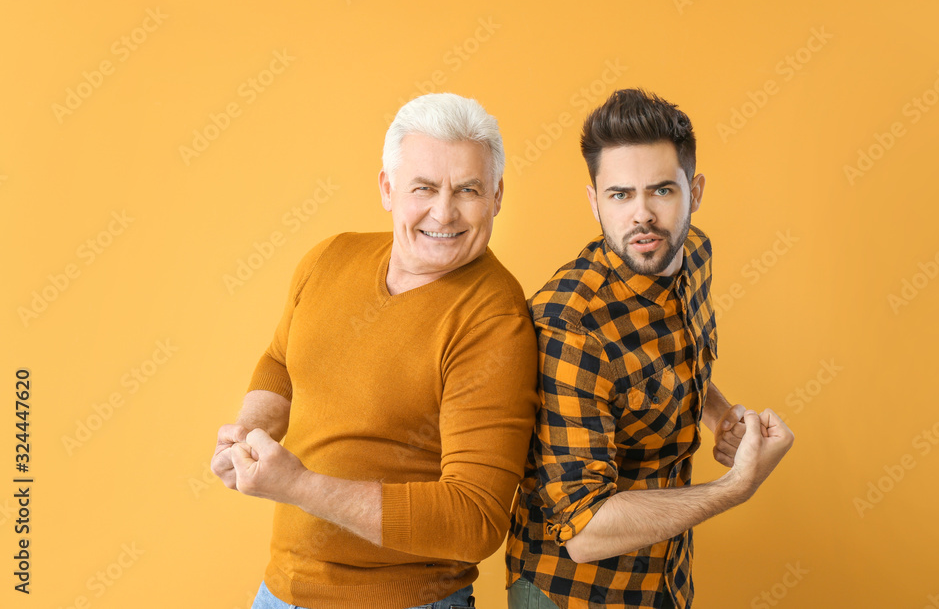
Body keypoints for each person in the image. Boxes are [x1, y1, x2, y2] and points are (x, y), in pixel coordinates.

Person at [211, 93, 539, 609]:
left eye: (468, 190)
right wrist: (249, 432)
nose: (444, 211)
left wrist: (298, 485)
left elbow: (474, 518)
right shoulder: (330, 258)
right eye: (424, 188)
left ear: (497, 196)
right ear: (388, 188)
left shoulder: (495, 321)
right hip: (278, 591)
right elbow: (281, 361)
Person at [506, 88, 795, 609]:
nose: (642, 216)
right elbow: (584, 532)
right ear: (594, 200)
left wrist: (723, 417)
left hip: (666, 577)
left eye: (662, 191)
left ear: (694, 191)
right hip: (572, 593)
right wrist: (736, 486)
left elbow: (677, 356)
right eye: (620, 195)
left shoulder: (693, 252)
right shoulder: (570, 327)